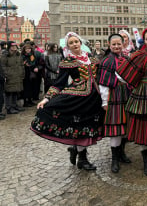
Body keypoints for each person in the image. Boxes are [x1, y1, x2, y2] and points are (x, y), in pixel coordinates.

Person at [31, 32, 105, 171]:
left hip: (94, 97)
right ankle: (82, 159)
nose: (74, 44)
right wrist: (47, 98)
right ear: (68, 46)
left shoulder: (92, 58)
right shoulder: (67, 62)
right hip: (78, 98)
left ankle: (75, 150)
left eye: (76, 41)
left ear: (80, 42)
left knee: (90, 125)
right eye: (71, 43)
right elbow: (59, 83)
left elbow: (101, 76)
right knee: (81, 127)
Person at [117, 27, 147, 176]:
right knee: (143, 129)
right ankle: (146, 161)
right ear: (144, 41)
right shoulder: (138, 55)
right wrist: (135, 82)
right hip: (142, 95)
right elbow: (122, 74)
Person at [98, 34, 132, 173]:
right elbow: (103, 83)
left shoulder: (126, 59)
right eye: (114, 44)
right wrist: (105, 101)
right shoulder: (106, 61)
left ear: (123, 44)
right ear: (109, 44)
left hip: (127, 96)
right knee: (116, 129)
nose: (117, 46)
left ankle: (122, 153)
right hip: (114, 97)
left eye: (119, 44)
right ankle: (115, 159)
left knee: (125, 127)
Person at [1, 43, 25, 115]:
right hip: (10, 76)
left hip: (17, 76)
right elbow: (3, 66)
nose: (14, 47)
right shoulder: (5, 55)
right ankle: (9, 108)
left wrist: (22, 73)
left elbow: (21, 65)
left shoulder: (18, 54)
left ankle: (14, 106)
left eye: (15, 46)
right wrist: (7, 74)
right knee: (9, 93)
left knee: (15, 91)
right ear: (9, 47)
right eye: (12, 46)